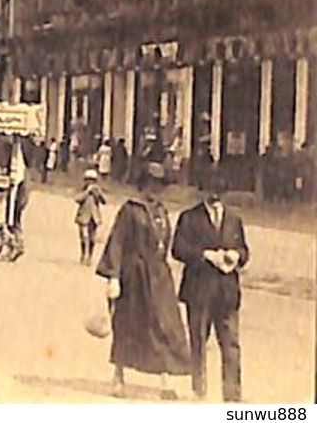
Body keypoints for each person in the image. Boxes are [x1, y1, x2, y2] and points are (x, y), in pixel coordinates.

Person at [96, 162, 191, 398]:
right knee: (127, 326)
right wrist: (113, 277)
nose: (155, 190)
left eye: (159, 186)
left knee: (165, 326)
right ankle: (118, 377)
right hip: (134, 277)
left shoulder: (161, 211)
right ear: (143, 184)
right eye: (151, 184)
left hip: (159, 277)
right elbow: (117, 242)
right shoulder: (130, 210)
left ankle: (165, 381)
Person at [171, 175, 250, 402]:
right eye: (211, 192)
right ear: (203, 191)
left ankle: (232, 395)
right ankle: (198, 390)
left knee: (231, 344)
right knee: (198, 341)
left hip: (227, 292)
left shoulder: (234, 219)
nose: (215, 197)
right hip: (198, 291)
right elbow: (178, 249)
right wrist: (206, 255)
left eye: (220, 193)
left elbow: (244, 250)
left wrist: (236, 256)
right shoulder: (189, 217)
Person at [74, 169, 108, 266]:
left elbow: (104, 201)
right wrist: (87, 192)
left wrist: (98, 193)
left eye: (92, 180)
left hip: (94, 217)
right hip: (83, 216)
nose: (90, 182)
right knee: (84, 236)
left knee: (92, 237)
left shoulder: (97, 191)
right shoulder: (82, 190)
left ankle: (90, 256)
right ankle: (84, 253)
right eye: (88, 180)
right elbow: (77, 199)